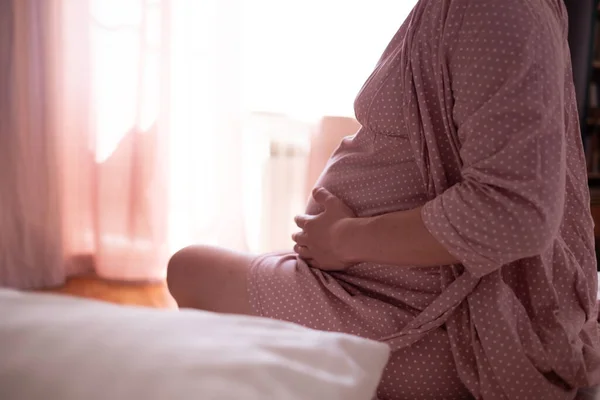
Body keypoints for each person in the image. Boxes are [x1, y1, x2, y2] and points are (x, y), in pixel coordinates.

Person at [166, 0, 600, 399]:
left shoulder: (495, 8)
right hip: (388, 289)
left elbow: (513, 211)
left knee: (191, 270)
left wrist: (344, 239)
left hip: (435, 319)